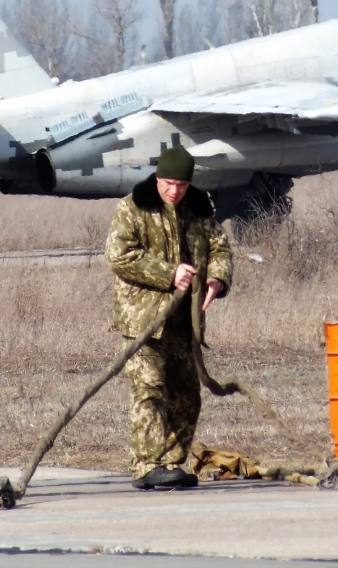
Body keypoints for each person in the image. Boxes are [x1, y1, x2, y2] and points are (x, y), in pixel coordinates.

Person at [105, 146, 233, 490]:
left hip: (183, 323)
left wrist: (217, 278)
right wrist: (168, 274)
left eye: (180, 184)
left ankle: (170, 464)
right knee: (150, 391)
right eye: (168, 183)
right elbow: (119, 255)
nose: (173, 191)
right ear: (157, 179)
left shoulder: (199, 210)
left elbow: (219, 247)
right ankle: (147, 465)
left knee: (187, 395)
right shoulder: (134, 208)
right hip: (143, 321)